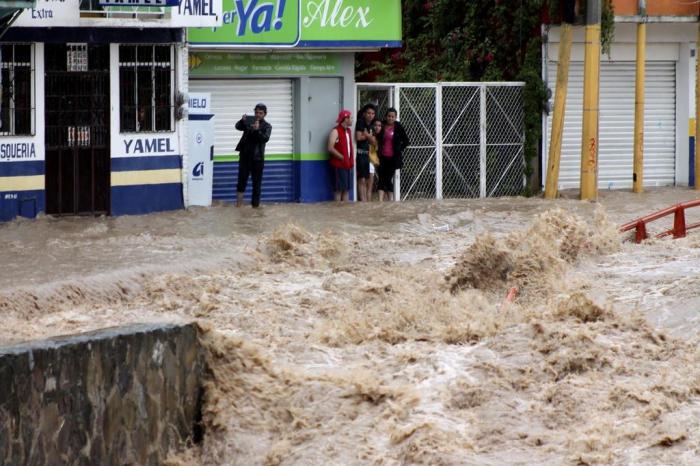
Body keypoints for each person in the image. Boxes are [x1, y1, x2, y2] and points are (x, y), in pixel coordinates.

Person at [234, 103, 272, 208]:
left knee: (257, 185)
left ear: (265, 114)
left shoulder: (267, 126)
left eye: (260, 113)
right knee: (241, 182)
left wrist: (257, 130)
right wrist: (242, 120)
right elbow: (237, 127)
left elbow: (265, 138)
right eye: (256, 112)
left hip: (258, 159)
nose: (258, 115)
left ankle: (255, 208)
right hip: (245, 158)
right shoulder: (249, 122)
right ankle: (238, 206)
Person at [377, 108, 410, 202]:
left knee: (387, 179)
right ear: (385, 116)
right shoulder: (381, 125)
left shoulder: (398, 127)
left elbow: (406, 141)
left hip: (393, 158)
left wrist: (399, 149)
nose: (390, 118)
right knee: (381, 179)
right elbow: (377, 136)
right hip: (382, 157)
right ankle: (380, 202)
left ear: (395, 117)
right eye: (389, 116)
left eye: (392, 116)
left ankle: (391, 201)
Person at [328, 109, 354, 202]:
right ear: (345, 119)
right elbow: (330, 148)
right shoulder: (335, 131)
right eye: (351, 118)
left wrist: (350, 160)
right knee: (338, 190)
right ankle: (336, 213)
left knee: (346, 190)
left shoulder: (349, 131)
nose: (352, 120)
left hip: (347, 165)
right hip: (339, 165)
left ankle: (345, 214)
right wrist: (342, 157)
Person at [355, 103, 377, 201]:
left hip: (367, 154)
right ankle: (362, 201)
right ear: (364, 114)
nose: (370, 115)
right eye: (368, 113)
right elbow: (358, 137)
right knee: (362, 179)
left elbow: (373, 141)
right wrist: (369, 136)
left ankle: (365, 202)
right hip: (360, 154)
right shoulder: (360, 122)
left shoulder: (371, 126)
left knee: (367, 179)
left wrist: (367, 135)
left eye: (372, 113)